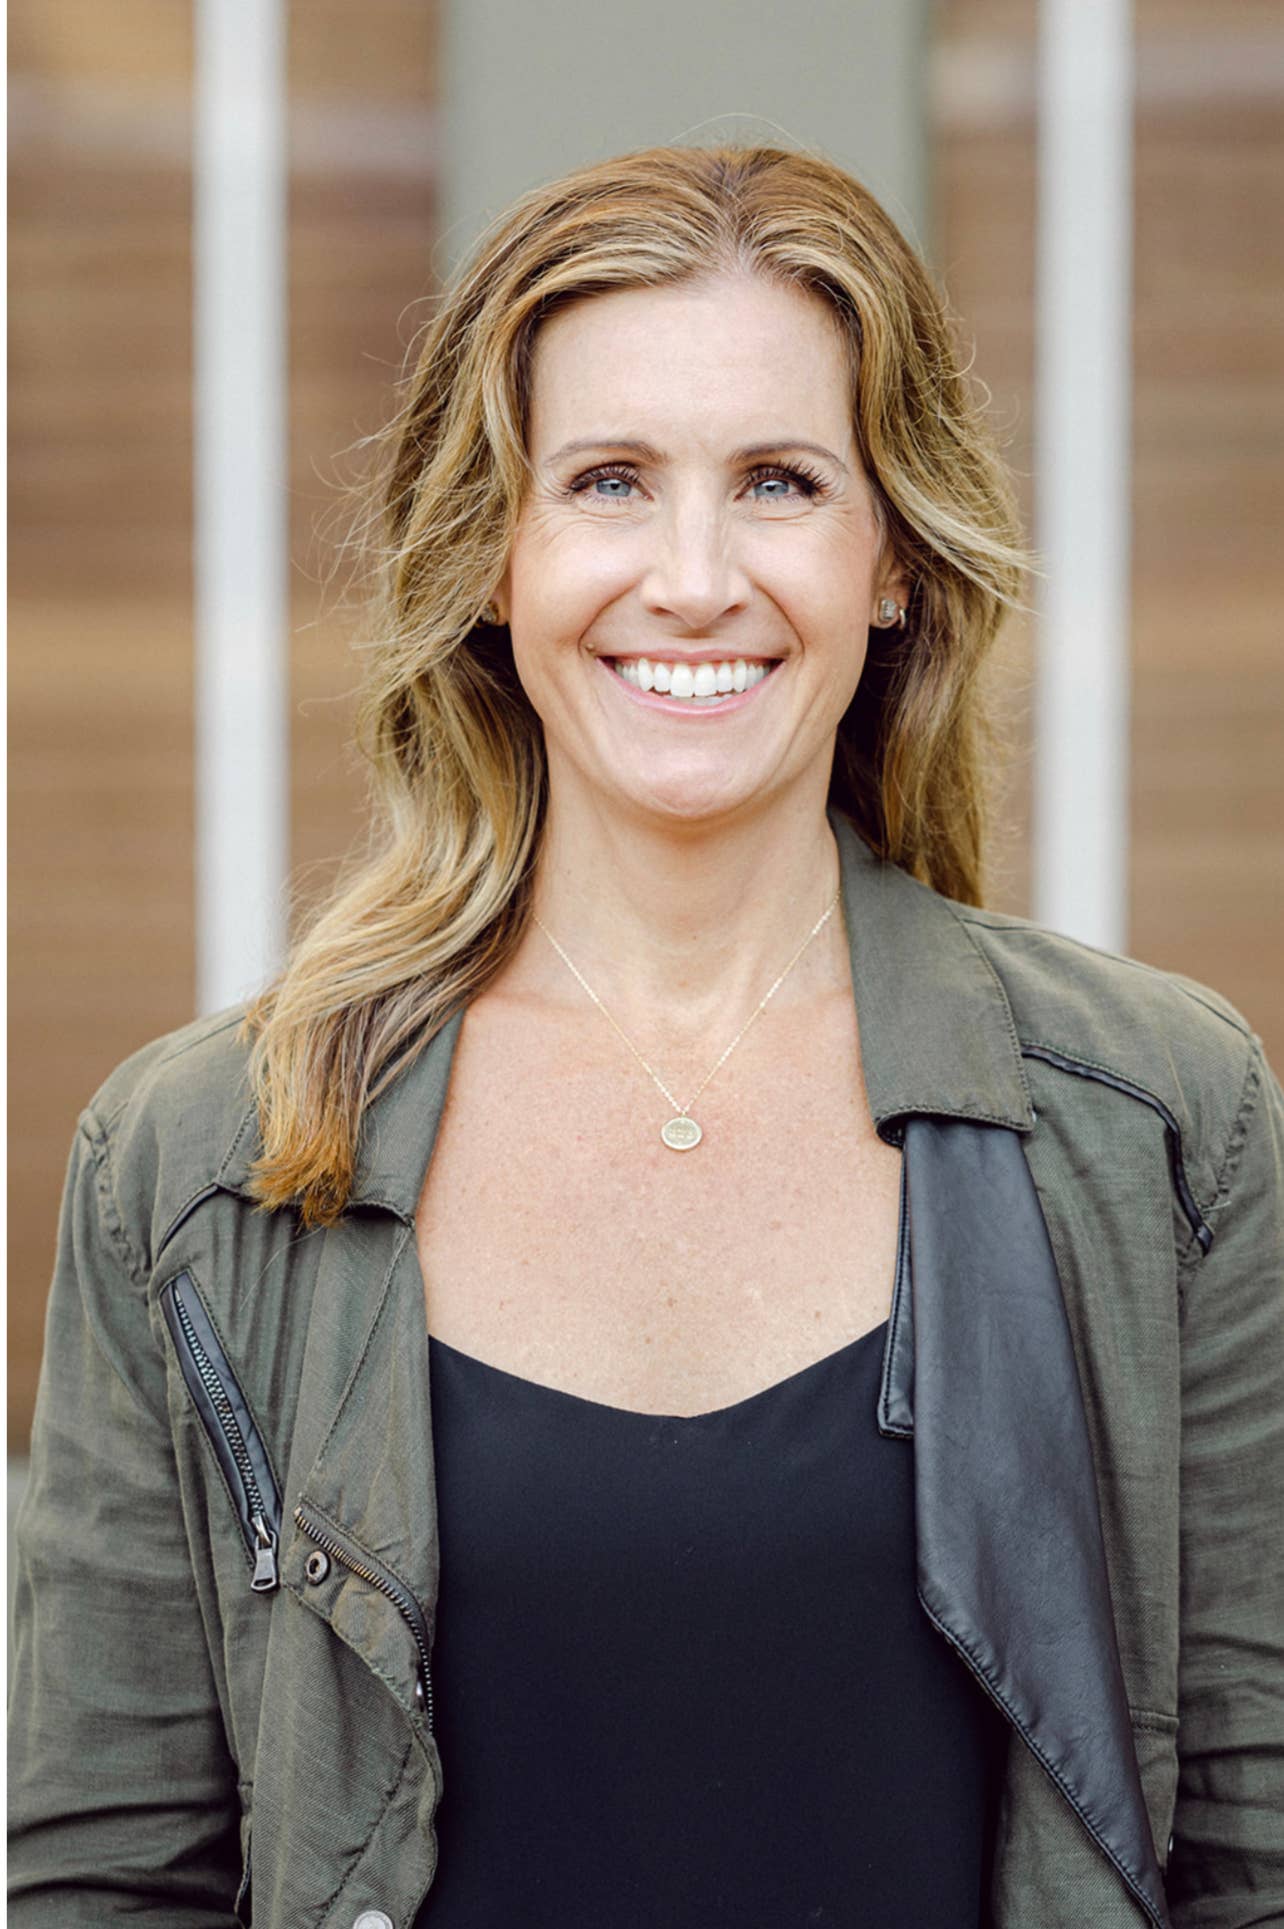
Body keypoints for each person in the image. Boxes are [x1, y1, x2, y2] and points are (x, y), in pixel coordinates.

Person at [8, 141, 1282, 1929]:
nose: (693, 578)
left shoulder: (1158, 1117)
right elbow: (104, 1876)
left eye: (777, 481)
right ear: (494, 558)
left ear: (892, 558)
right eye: (606, 480)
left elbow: (1254, 1846)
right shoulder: (205, 1151)